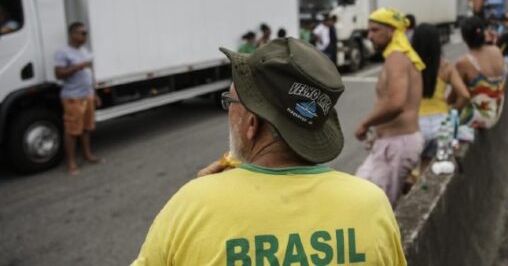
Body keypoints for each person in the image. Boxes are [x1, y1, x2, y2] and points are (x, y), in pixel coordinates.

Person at [133, 38, 406, 265]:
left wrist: (203, 197)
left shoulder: (190, 207)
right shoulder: (372, 205)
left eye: (230, 101)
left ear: (252, 123)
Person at [355, 8, 424, 208]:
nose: (370, 36)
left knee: (374, 207)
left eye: (375, 30)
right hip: (390, 144)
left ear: (392, 31)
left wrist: (364, 123)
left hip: (398, 145)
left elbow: (396, 103)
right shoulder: (398, 57)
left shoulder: (397, 59)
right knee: (362, 197)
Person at [411, 23, 470, 159]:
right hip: (442, 123)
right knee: (434, 165)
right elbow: (465, 95)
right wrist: (453, 112)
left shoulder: (409, 66)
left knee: (416, 170)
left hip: (416, 124)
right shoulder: (445, 66)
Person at [54, 22, 103, 175]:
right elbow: (59, 74)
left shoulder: (84, 51)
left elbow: (89, 75)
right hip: (72, 97)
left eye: (86, 33)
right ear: (73, 34)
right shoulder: (63, 52)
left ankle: (87, 155)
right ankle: (71, 163)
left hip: (86, 95)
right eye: (82, 33)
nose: (85, 36)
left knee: (86, 128)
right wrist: (79, 66)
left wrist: (94, 94)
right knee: (72, 130)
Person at [454, 17, 506, 129]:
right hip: (498, 111)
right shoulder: (496, 51)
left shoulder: (464, 62)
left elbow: (456, 96)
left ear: (463, 37)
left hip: (481, 117)